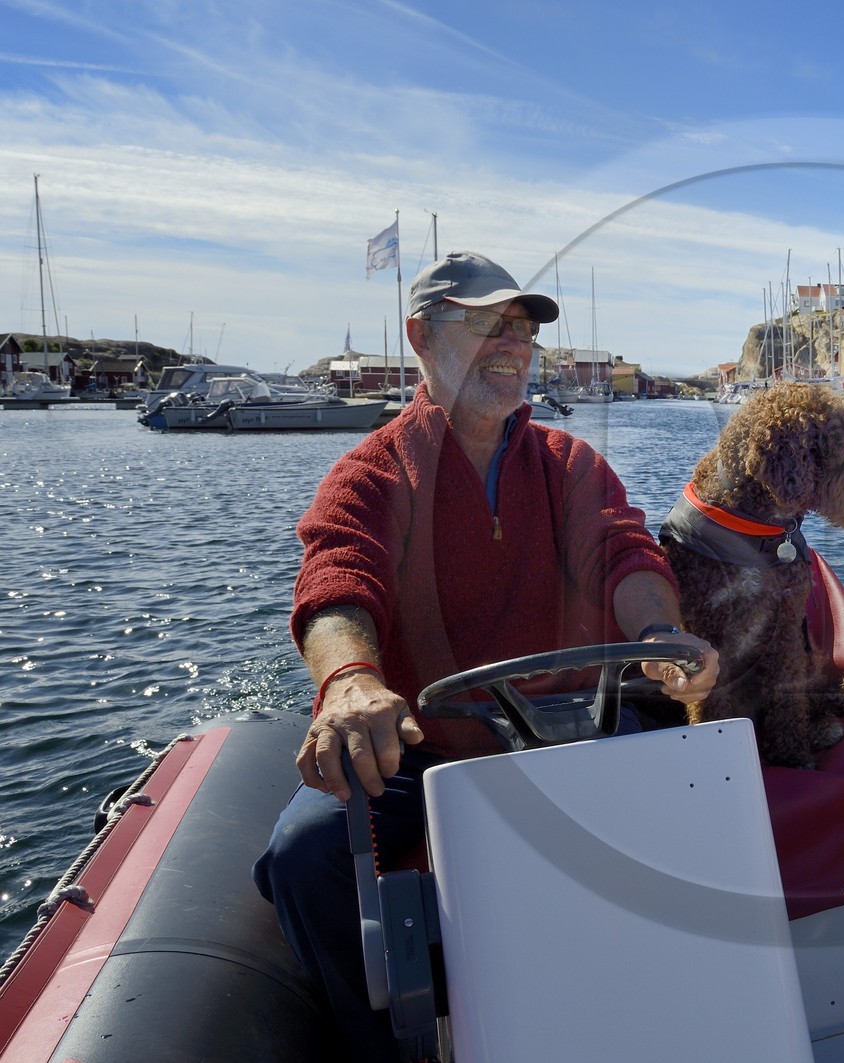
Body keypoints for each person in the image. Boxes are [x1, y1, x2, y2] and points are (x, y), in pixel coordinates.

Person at [252, 250, 719, 1061]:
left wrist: (658, 638)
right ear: (420, 338)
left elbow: (627, 558)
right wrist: (353, 680)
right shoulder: (368, 475)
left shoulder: (570, 466)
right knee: (301, 858)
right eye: (486, 325)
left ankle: (680, 1015)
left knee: (700, 786)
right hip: (420, 750)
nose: (512, 343)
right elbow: (337, 579)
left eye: (522, 328)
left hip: (572, 732)